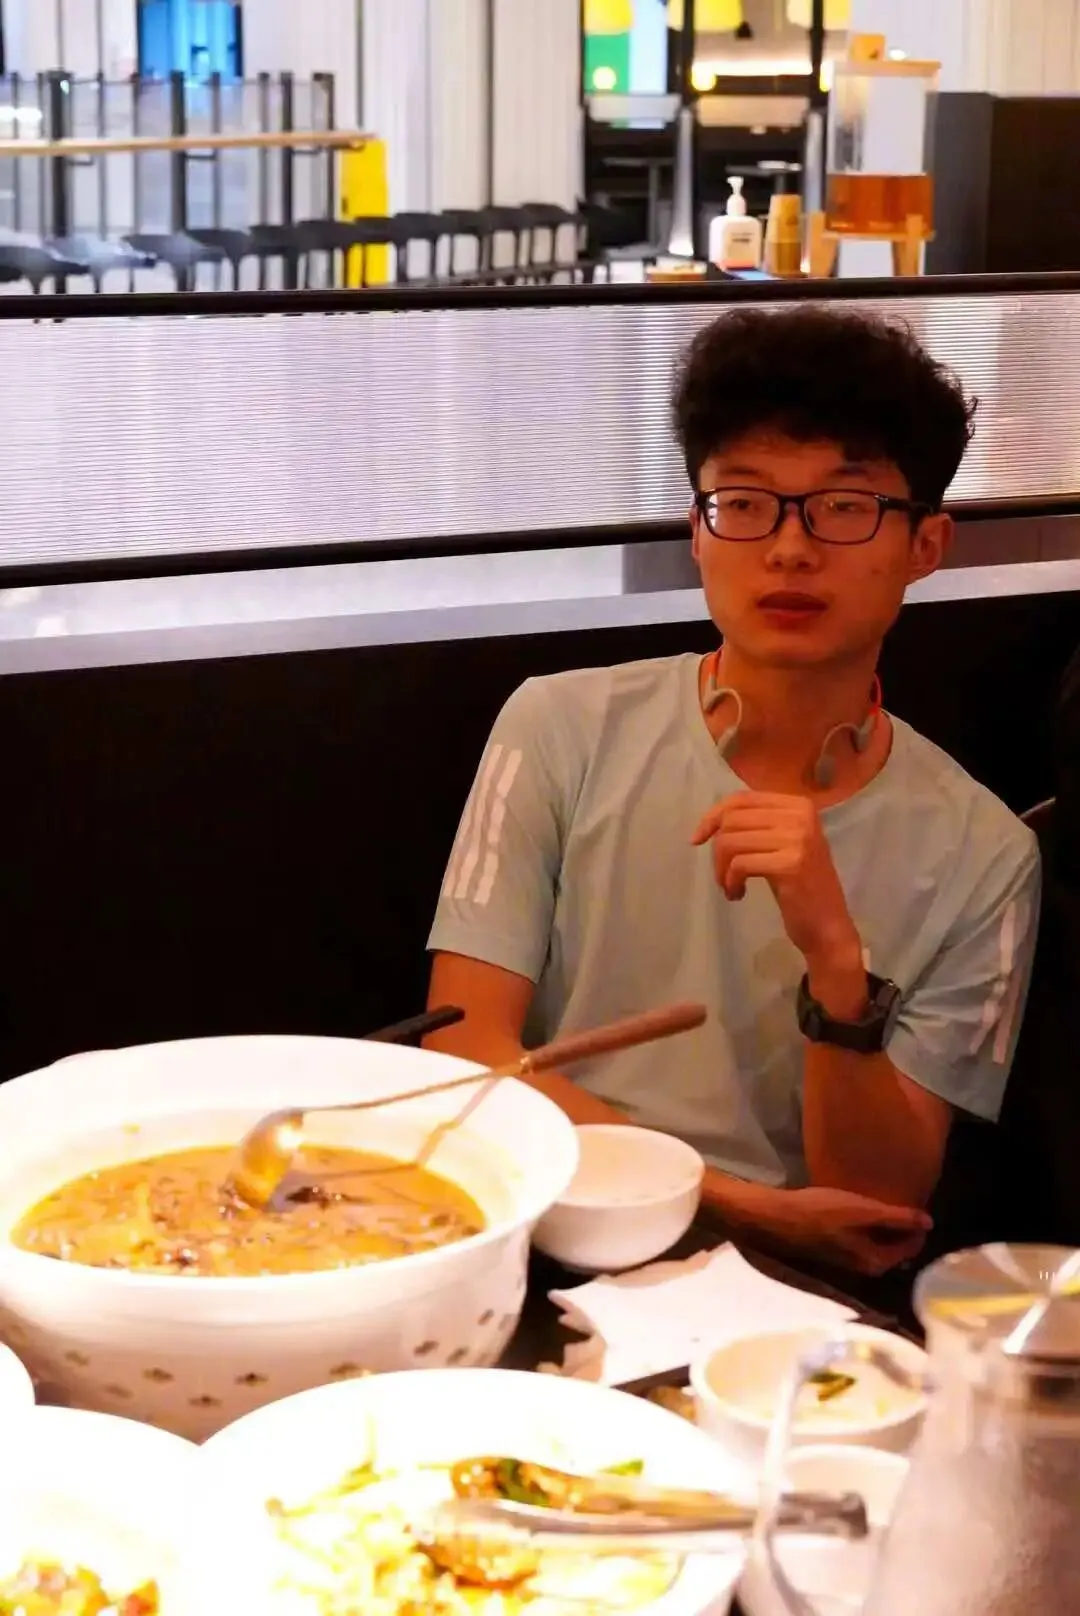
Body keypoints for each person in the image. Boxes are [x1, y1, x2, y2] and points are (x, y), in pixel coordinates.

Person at [425, 305, 1040, 1278]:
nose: (790, 548)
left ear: (927, 545)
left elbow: (878, 1205)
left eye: (846, 507)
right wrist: (733, 1203)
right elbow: (466, 1051)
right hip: (540, 1230)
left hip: (784, 1300)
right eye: (745, 502)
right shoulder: (559, 726)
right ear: (698, 533)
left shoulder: (987, 853)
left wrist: (836, 963)